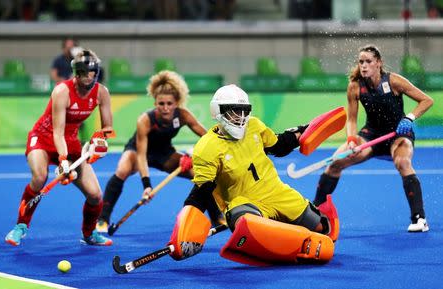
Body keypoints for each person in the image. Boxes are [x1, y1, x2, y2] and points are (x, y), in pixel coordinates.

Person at [165, 84, 339, 266]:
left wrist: (305, 129)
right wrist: (184, 230)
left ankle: (290, 237)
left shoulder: (254, 126)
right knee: (247, 223)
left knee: (323, 228)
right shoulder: (206, 148)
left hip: (277, 193)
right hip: (243, 202)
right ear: (218, 112)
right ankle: (295, 244)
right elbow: (201, 192)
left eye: (244, 111)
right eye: (234, 112)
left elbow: (279, 145)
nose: (240, 118)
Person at [313, 45, 434, 232]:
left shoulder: (394, 81)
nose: (364, 65)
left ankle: (419, 219)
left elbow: (426, 100)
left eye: (368, 61)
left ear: (379, 63)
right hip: (370, 135)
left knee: (402, 162)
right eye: (361, 62)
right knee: (336, 162)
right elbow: (351, 119)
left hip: (398, 133)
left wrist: (409, 118)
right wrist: (352, 139)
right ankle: (315, 211)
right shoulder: (355, 87)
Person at [5, 49, 114, 246]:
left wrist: (98, 143)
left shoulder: (102, 93)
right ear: (76, 73)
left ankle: (89, 234)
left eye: (92, 73)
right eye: (83, 73)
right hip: (43, 137)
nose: (88, 78)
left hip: (71, 141)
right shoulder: (62, 91)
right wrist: (63, 161)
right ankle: (20, 227)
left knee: (95, 194)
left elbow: (107, 129)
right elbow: (57, 131)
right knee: (39, 177)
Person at [96, 70, 224, 233]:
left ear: (177, 102)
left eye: (169, 104)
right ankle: (103, 219)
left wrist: (195, 155)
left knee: (198, 173)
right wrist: (147, 185)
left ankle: (215, 216)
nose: (165, 108)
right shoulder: (145, 120)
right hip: (138, 151)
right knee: (122, 170)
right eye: (161, 104)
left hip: (164, 154)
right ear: (155, 103)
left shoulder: (183, 115)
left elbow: (207, 137)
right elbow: (142, 155)